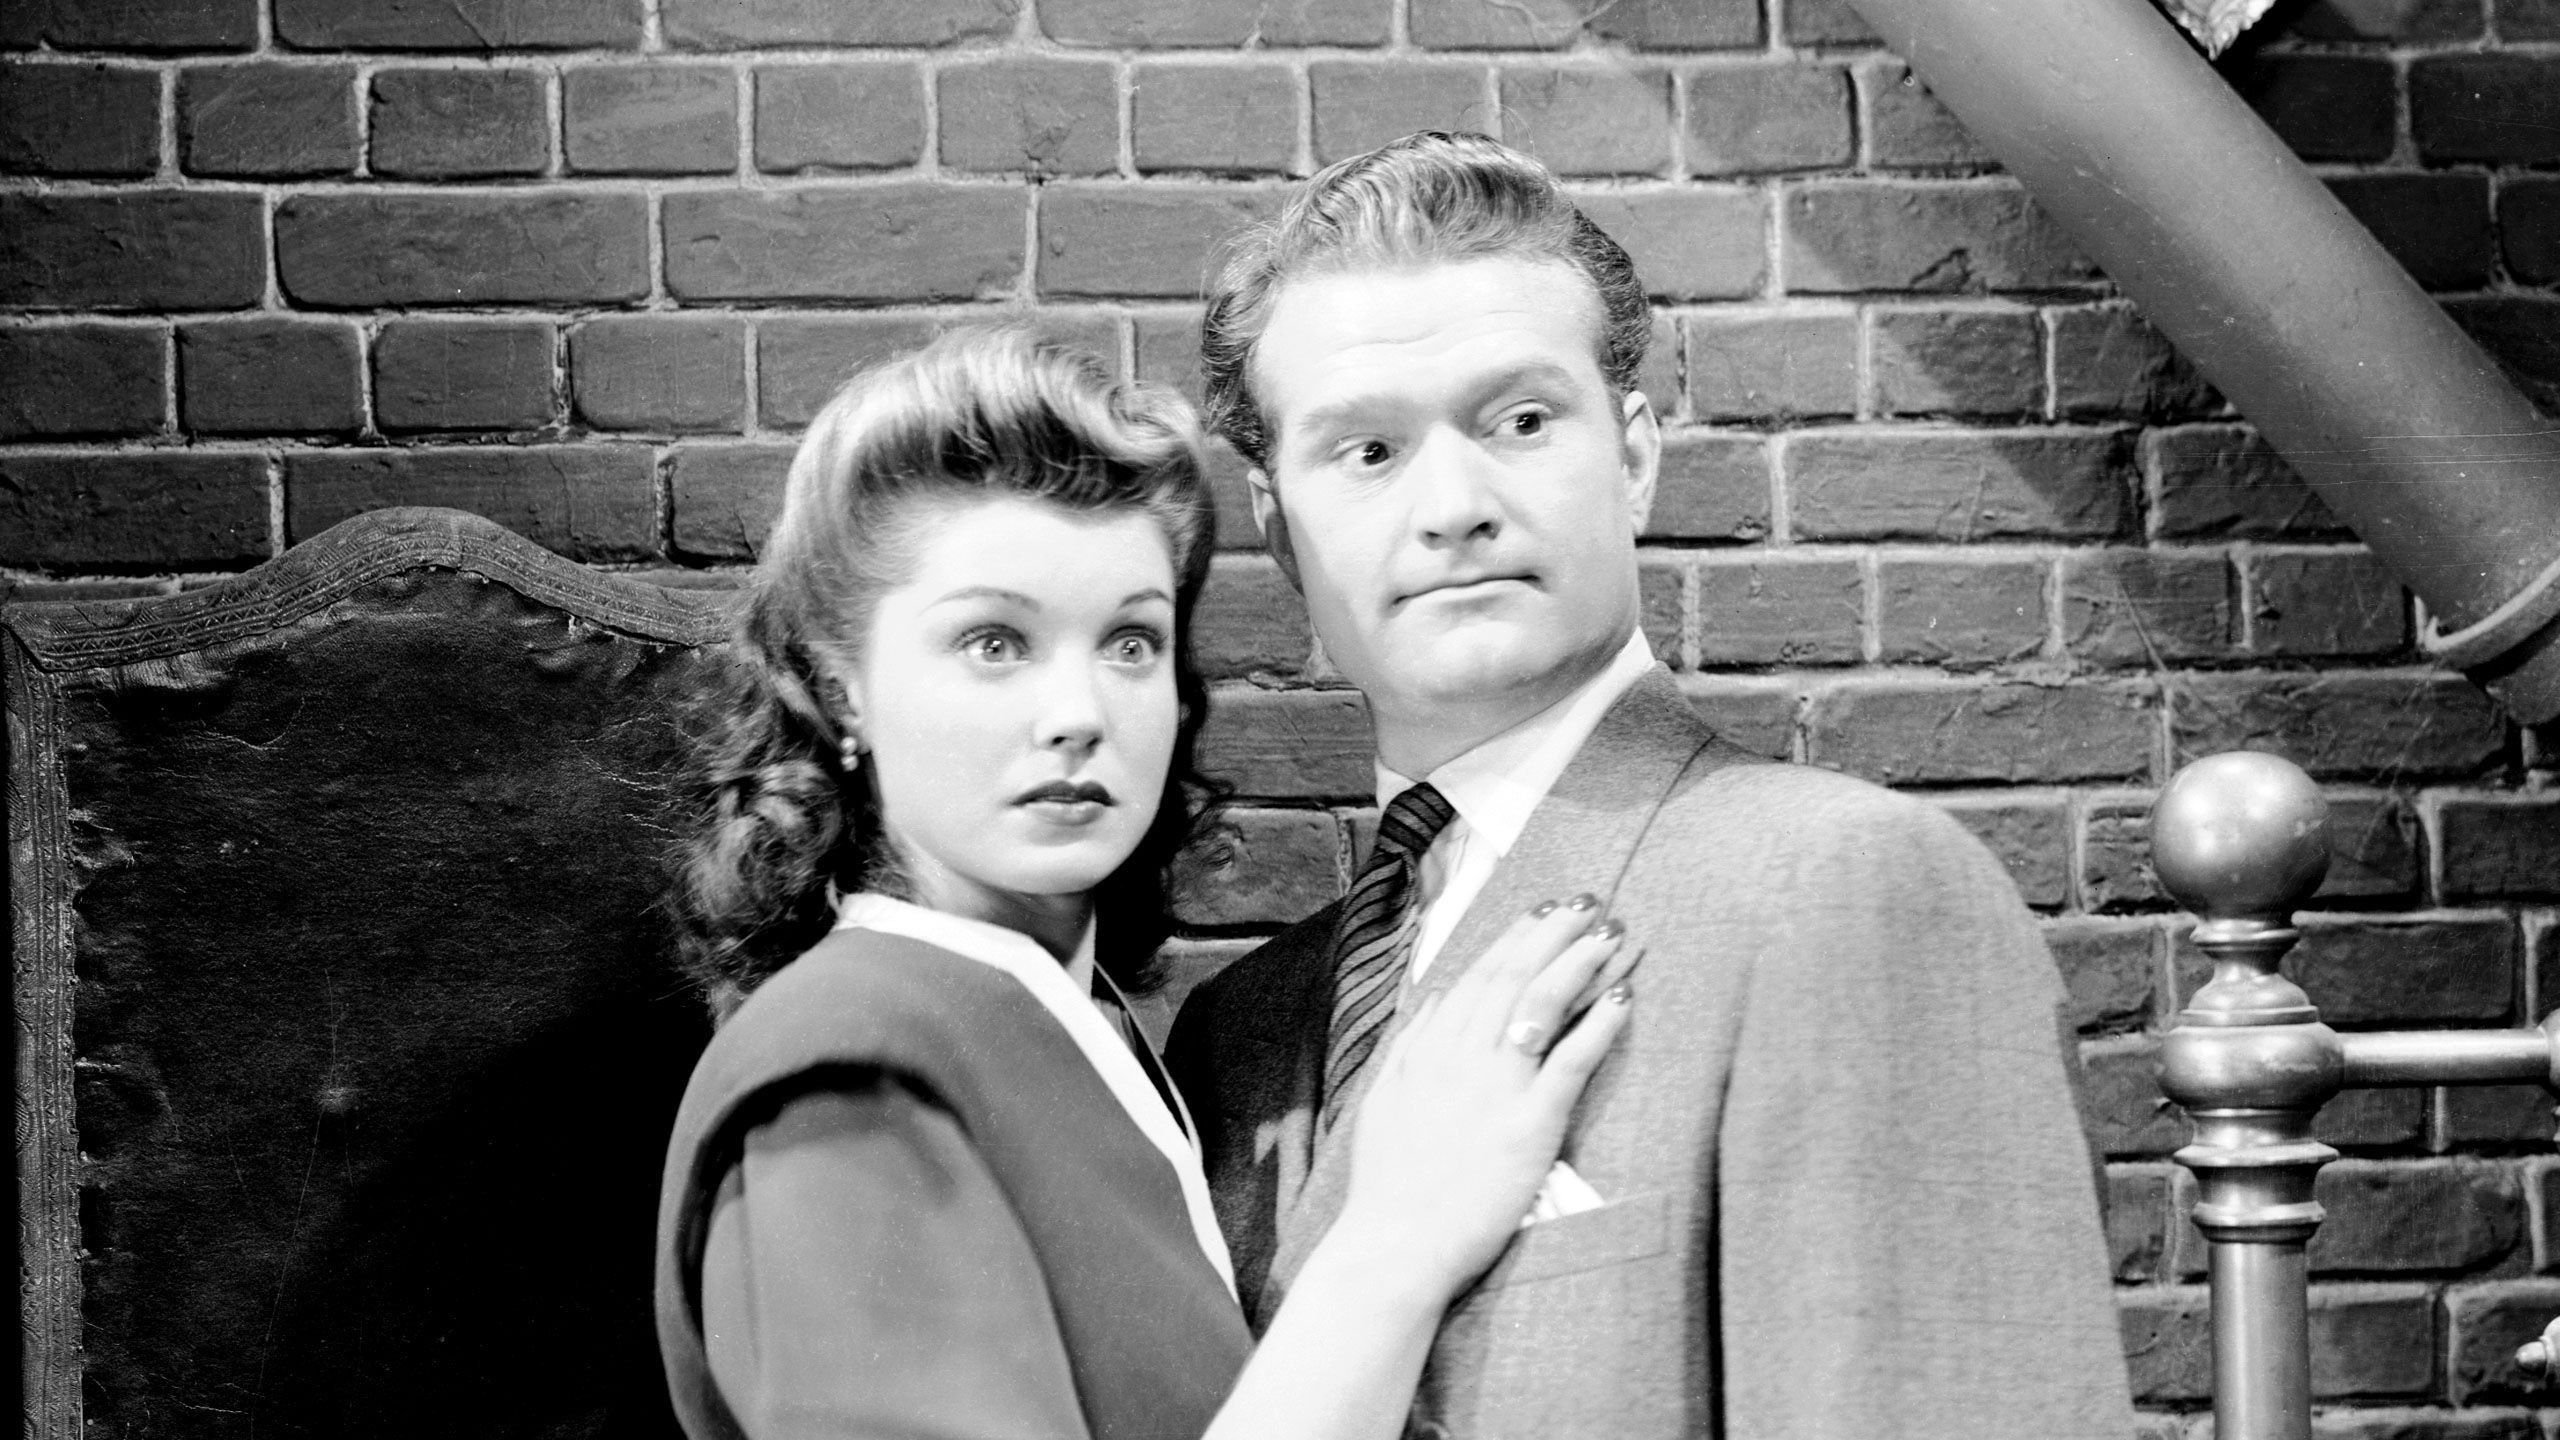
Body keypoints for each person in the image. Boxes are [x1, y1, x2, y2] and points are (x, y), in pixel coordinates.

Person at [1167, 132, 2138, 1438]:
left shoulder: (1849, 895)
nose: (1452, 505)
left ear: (1632, 458)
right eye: (1368, 452)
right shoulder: (1236, 1037)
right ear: (1279, 525)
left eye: (1520, 421)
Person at [650, 328, 1641, 1440]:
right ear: (842, 691)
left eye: (1129, 642)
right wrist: (1393, 1248)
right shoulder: (843, 1076)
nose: (1078, 713)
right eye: (992, 643)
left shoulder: (1075, 1027)